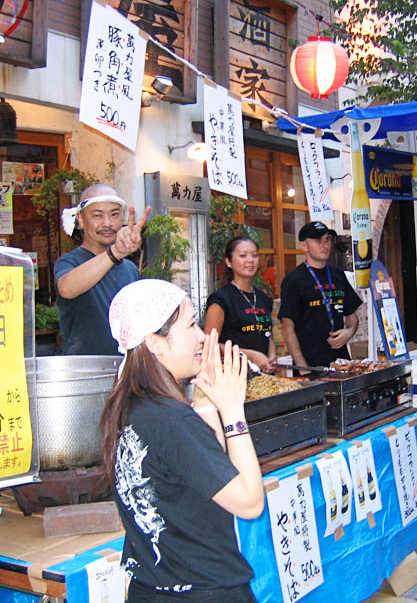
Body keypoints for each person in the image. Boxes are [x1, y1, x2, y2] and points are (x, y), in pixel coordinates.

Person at [100, 279, 264, 602]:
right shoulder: (171, 419)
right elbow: (249, 501)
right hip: (203, 591)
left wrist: (205, 400)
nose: (202, 335)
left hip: (151, 589)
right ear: (155, 343)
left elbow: (210, 475)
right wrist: (233, 412)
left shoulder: (130, 406)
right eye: (190, 325)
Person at [54, 183, 151, 355]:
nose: (107, 224)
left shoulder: (130, 269)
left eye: (114, 215)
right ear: (81, 220)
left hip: (125, 371)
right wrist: (115, 253)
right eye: (97, 215)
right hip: (86, 373)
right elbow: (66, 288)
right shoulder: (70, 262)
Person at [279, 221, 362, 369]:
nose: (325, 245)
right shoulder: (294, 280)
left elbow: (351, 316)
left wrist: (349, 332)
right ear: (304, 246)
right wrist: (304, 369)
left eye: (327, 239)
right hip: (311, 364)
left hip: (341, 363)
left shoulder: (338, 274)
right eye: (318, 241)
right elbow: (287, 328)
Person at [204, 236, 276, 373]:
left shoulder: (263, 297)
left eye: (254, 255)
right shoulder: (221, 299)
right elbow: (209, 344)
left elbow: (266, 331)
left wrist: (271, 355)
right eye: (243, 256)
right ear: (228, 262)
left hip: (264, 379)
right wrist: (250, 355)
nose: (250, 260)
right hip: (233, 377)